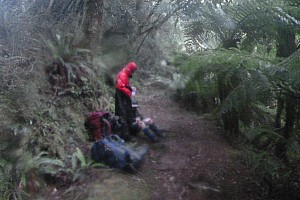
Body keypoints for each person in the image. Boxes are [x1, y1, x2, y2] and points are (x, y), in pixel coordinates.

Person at [115, 61, 139, 141]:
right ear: (130, 69)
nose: (133, 73)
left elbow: (124, 85)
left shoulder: (124, 74)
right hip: (121, 98)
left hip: (123, 97)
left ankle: (129, 132)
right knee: (123, 115)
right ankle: (126, 136)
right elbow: (120, 86)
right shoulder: (122, 74)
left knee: (128, 112)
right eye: (133, 71)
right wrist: (130, 93)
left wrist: (131, 88)